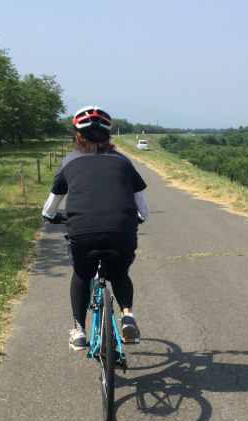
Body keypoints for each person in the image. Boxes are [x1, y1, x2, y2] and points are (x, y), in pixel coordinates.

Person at [42, 106, 151, 350]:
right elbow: (144, 209)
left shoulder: (69, 161)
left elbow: (49, 208)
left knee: (82, 275)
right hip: (122, 230)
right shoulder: (123, 161)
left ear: (77, 135)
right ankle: (127, 315)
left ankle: (79, 330)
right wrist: (138, 219)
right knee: (119, 274)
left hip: (83, 232)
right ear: (108, 135)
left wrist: (52, 217)